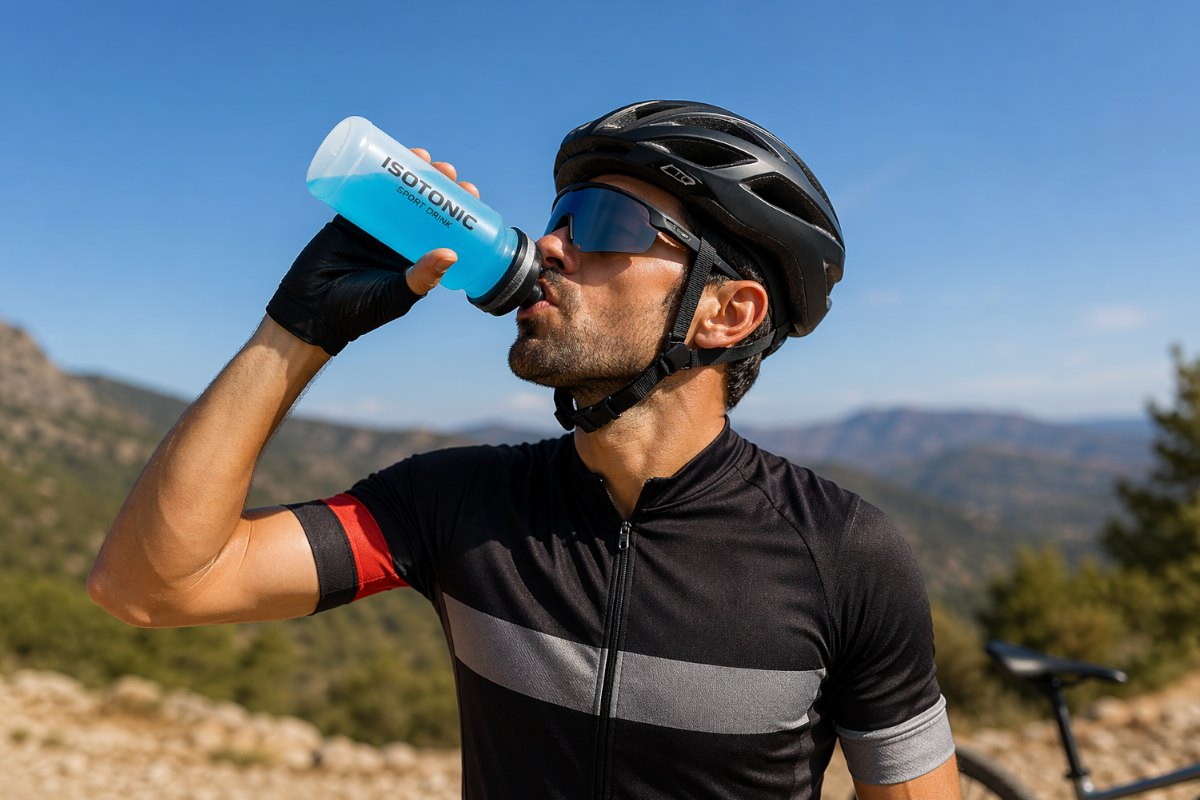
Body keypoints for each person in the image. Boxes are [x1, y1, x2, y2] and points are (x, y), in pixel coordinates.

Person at [89, 101, 961, 799]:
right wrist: (295, 331)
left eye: (604, 221)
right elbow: (152, 585)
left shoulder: (845, 555)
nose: (550, 243)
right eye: (559, 216)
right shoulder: (455, 505)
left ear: (725, 312)